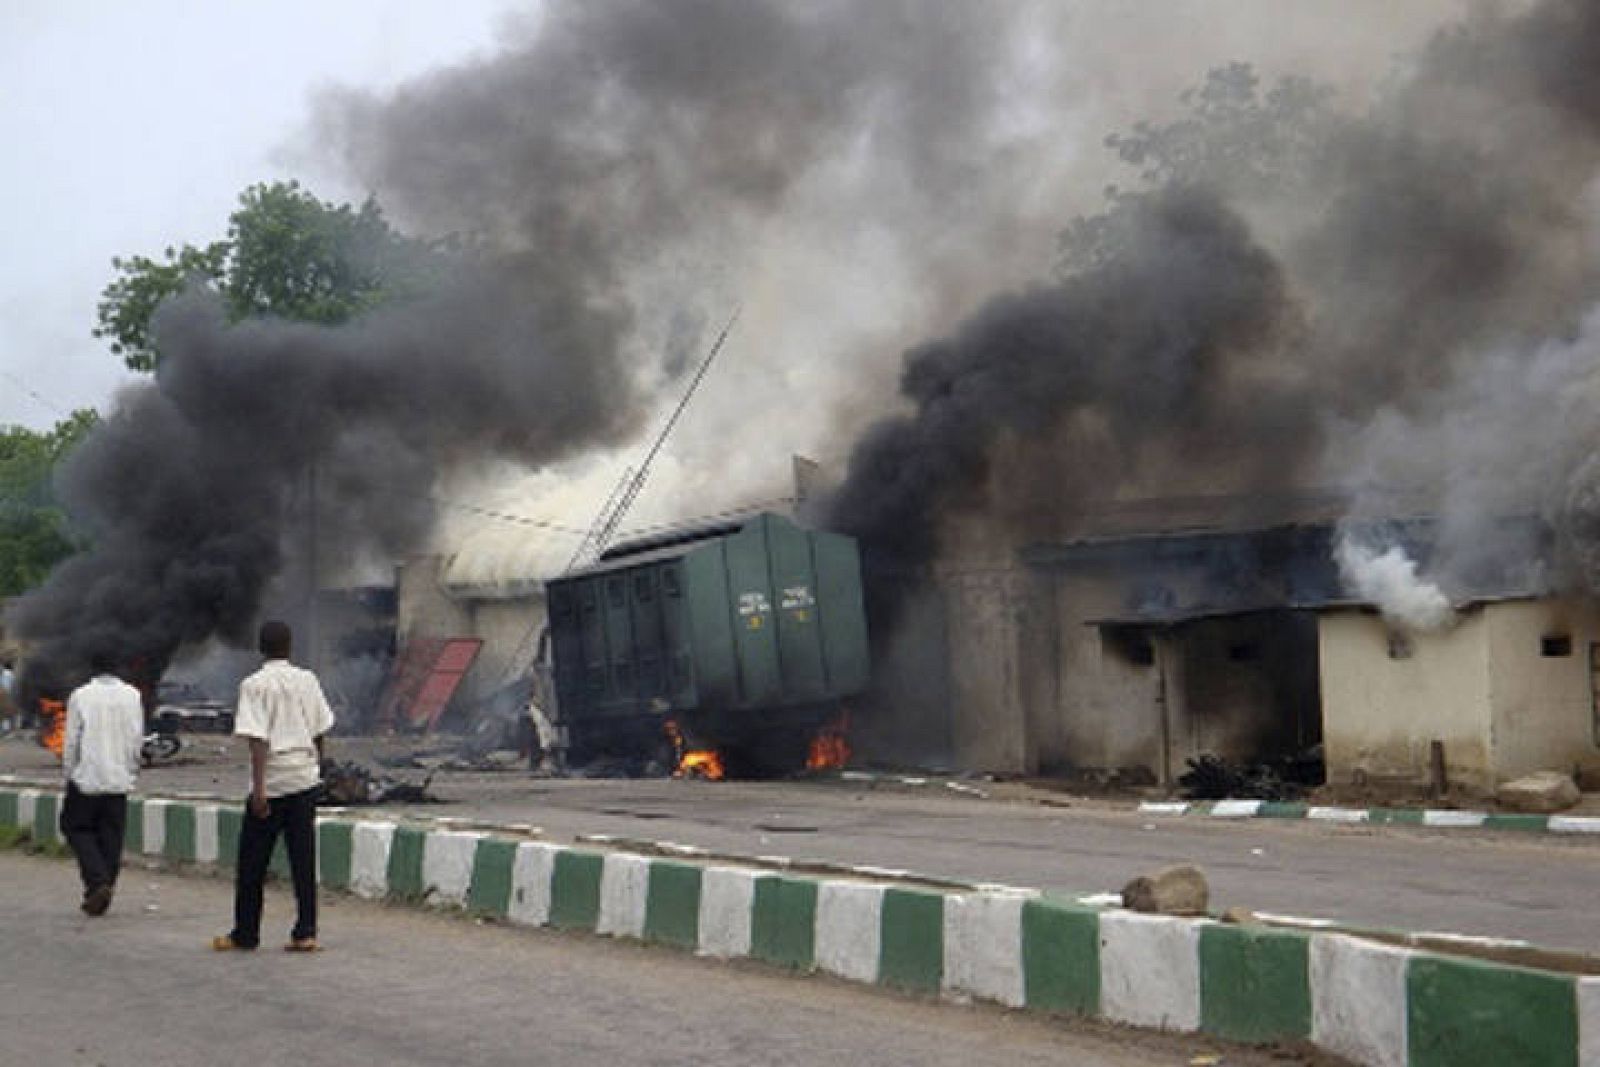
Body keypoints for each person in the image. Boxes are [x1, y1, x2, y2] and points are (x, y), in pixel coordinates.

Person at [213, 620, 334, 953]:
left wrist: (260, 789)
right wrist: (316, 769)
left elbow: (258, 741)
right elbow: (320, 729)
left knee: (252, 864)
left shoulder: (254, 685)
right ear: (290, 646)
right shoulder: (308, 680)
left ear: (261, 648)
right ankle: (306, 932)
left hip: (275, 780)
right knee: (303, 860)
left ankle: (246, 934)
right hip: (303, 779)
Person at [59, 652, 145, 916]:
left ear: (91, 669)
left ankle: (98, 883)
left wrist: (69, 773)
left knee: (76, 828)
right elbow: (135, 737)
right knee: (111, 836)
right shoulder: (132, 695)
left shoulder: (81, 695)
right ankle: (102, 889)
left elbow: (72, 739)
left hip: (87, 777)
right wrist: (131, 770)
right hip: (119, 778)